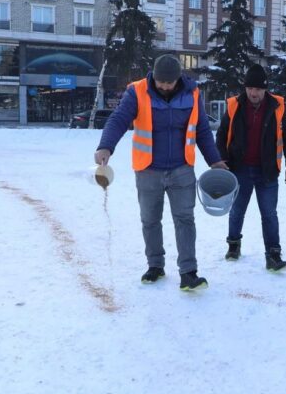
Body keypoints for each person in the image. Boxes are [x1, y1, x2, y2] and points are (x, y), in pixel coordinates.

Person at [94, 54, 228, 291]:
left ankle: (189, 272)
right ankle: (155, 265)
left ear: (178, 79)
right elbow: (118, 119)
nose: (164, 86)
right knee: (150, 220)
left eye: (169, 82)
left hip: (182, 169)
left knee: (185, 219)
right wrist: (106, 146)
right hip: (148, 170)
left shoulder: (193, 93)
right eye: (160, 82)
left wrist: (215, 160)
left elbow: (202, 130)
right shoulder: (137, 91)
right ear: (153, 77)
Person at [215, 64, 286, 272]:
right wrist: (221, 160)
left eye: (258, 89)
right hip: (239, 169)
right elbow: (222, 134)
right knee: (237, 211)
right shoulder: (234, 106)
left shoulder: (277, 107)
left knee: (269, 213)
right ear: (245, 88)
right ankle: (233, 245)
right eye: (250, 88)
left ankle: (273, 254)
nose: (254, 93)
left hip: (267, 170)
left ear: (265, 89)